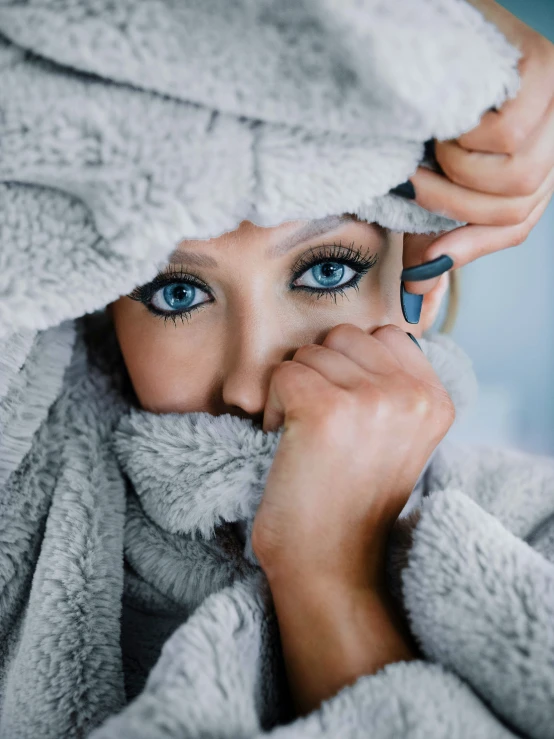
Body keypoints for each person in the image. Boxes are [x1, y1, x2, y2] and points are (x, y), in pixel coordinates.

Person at [0, 0, 553, 738]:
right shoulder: (24, 508)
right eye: (177, 292)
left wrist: (329, 569)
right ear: (99, 307)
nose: (254, 385)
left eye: (325, 271)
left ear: (420, 279)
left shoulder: (535, 531)